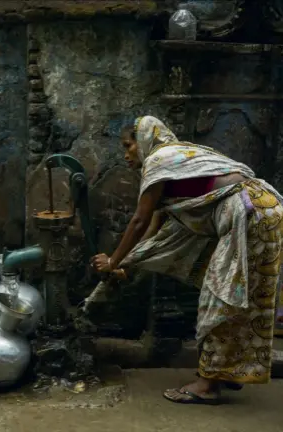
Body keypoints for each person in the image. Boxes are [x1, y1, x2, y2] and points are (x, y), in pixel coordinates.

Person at [90, 115, 283, 405]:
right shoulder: (177, 161)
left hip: (249, 214)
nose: (126, 154)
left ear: (143, 141)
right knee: (242, 297)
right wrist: (125, 267)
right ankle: (228, 372)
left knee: (218, 297)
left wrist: (113, 261)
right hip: (266, 208)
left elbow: (139, 221)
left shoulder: (158, 159)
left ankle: (207, 385)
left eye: (128, 146)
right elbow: (154, 233)